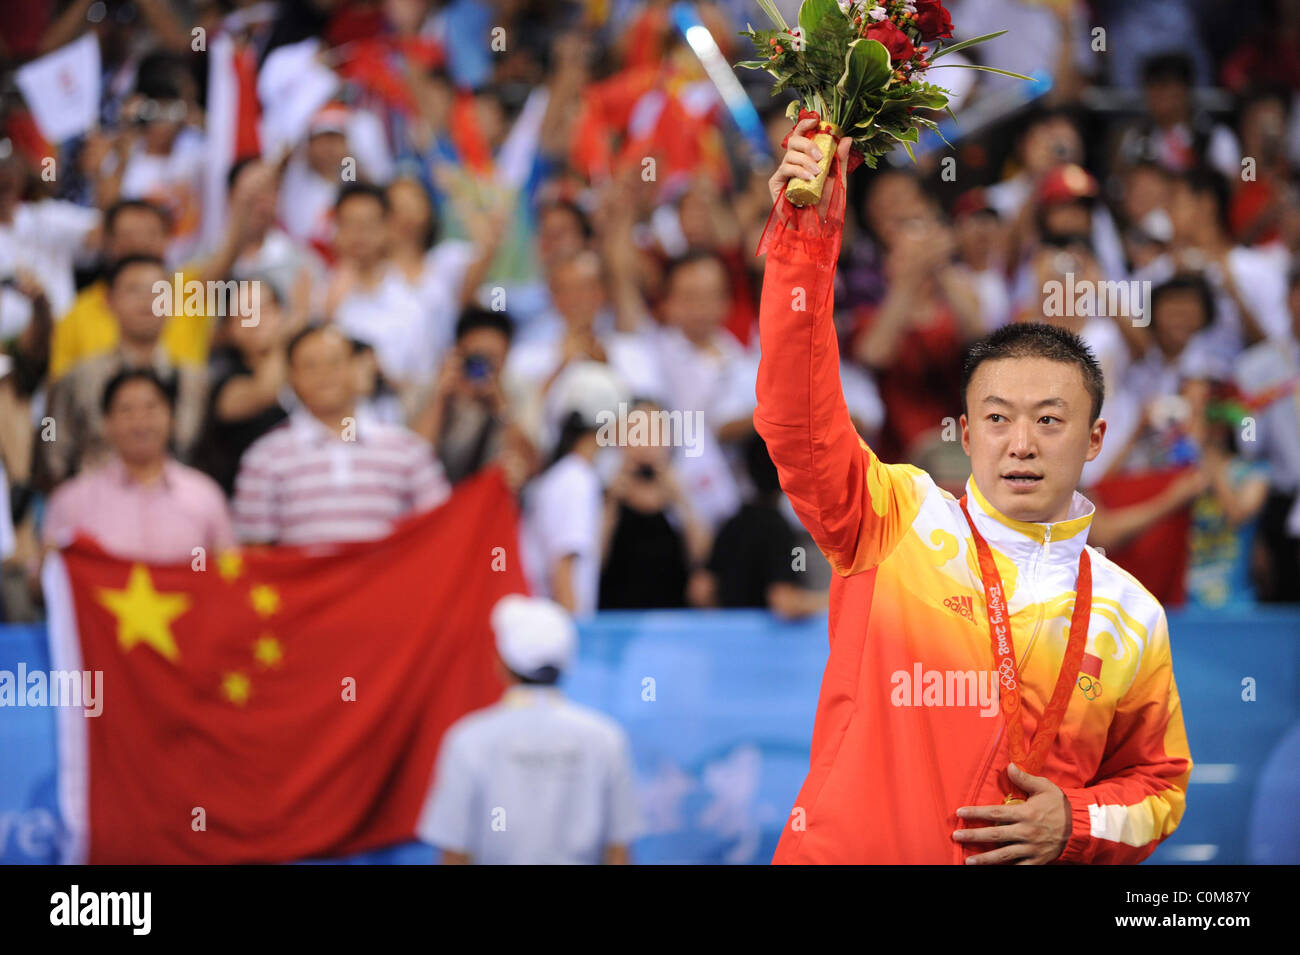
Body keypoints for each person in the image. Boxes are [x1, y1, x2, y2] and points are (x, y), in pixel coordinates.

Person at [757, 118, 1192, 864]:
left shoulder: (1131, 613)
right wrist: (805, 246)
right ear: (966, 431)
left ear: (1094, 439)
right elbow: (796, 418)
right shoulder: (895, 518)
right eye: (998, 417)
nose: (1021, 441)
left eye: (1049, 419)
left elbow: (1159, 789)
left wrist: (1077, 821)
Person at [417, 593, 641, 865]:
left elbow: (455, 853)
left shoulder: (469, 740)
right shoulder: (606, 738)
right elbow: (618, 853)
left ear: (501, 662)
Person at [231, 324, 449, 547]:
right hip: (304, 581)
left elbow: (441, 529)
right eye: (310, 366)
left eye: (334, 362)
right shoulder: (264, 457)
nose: (324, 374)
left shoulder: (408, 449)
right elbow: (255, 552)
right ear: (291, 377)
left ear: (357, 368)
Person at [37, 255, 208, 488]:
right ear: (109, 301)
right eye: (133, 290)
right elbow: (51, 436)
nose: (146, 301)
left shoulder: (196, 381)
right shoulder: (76, 377)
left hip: (176, 508)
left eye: (158, 292)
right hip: (93, 509)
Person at [43, 368, 233, 563]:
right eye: (126, 410)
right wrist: (48, 563)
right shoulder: (72, 502)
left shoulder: (205, 497)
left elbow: (227, 574)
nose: (140, 423)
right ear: (106, 424)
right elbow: (45, 580)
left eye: (151, 408)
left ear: (172, 418)